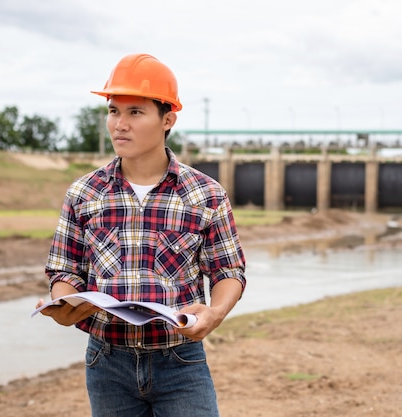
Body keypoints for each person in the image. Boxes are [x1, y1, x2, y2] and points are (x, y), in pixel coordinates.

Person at [35, 53, 246, 417]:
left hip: (179, 360)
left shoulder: (206, 194)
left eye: (135, 112)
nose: (120, 124)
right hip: (106, 361)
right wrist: (64, 304)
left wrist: (216, 312)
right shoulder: (84, 193)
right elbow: (64, 270)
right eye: (114, 111)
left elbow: (229, 271)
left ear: (167, 120)